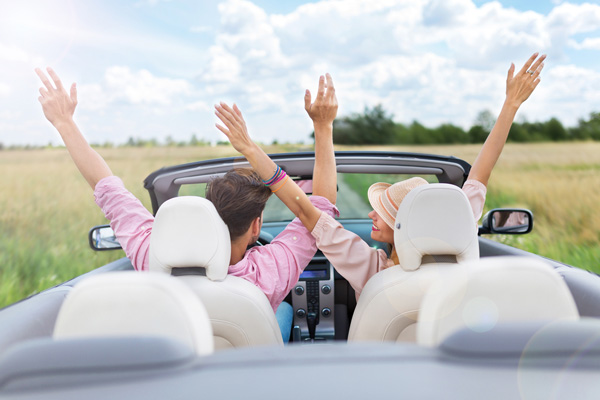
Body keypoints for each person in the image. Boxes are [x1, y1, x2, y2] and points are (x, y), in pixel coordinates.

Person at [35, 67, 339, 342]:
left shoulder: (149, 255)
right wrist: (323, 127)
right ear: (256, 226)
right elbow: (319, 210)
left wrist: (64, 123)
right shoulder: (269, 272)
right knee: (283, 312)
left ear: (209, 214)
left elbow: (106, 185)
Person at [215, 52, 545, 299]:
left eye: (385, 211)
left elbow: (307, 209)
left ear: (405, 226)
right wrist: (510, 106)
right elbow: (480, 174)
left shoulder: (372, 270)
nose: (373, 212)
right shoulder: (459, 229)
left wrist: (252, 147)